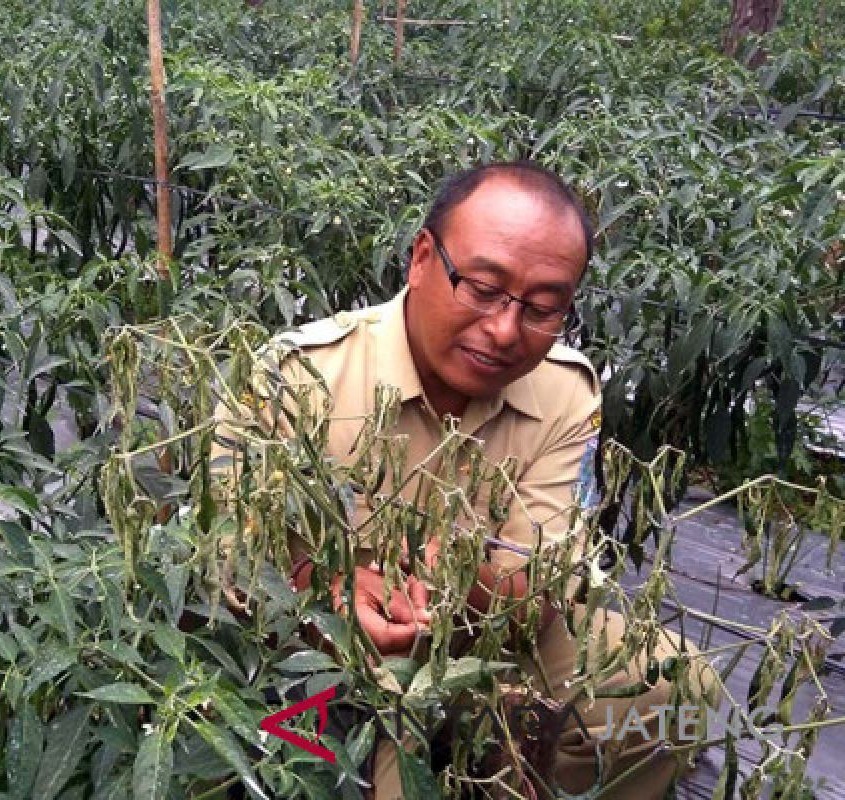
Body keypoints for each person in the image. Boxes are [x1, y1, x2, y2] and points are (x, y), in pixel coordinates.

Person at [214, 161, 712, 799]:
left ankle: (511, 775)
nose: (505, 330)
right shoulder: (300, 378)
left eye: (541, 307)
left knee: (675, 695)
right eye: (481, 288)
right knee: (358, 757)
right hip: (318, 650)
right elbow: (226, 554)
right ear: (423, 258)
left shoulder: (565, 392)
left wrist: (459, 583)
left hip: (490, 635)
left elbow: (545, 577)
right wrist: (327, 588)